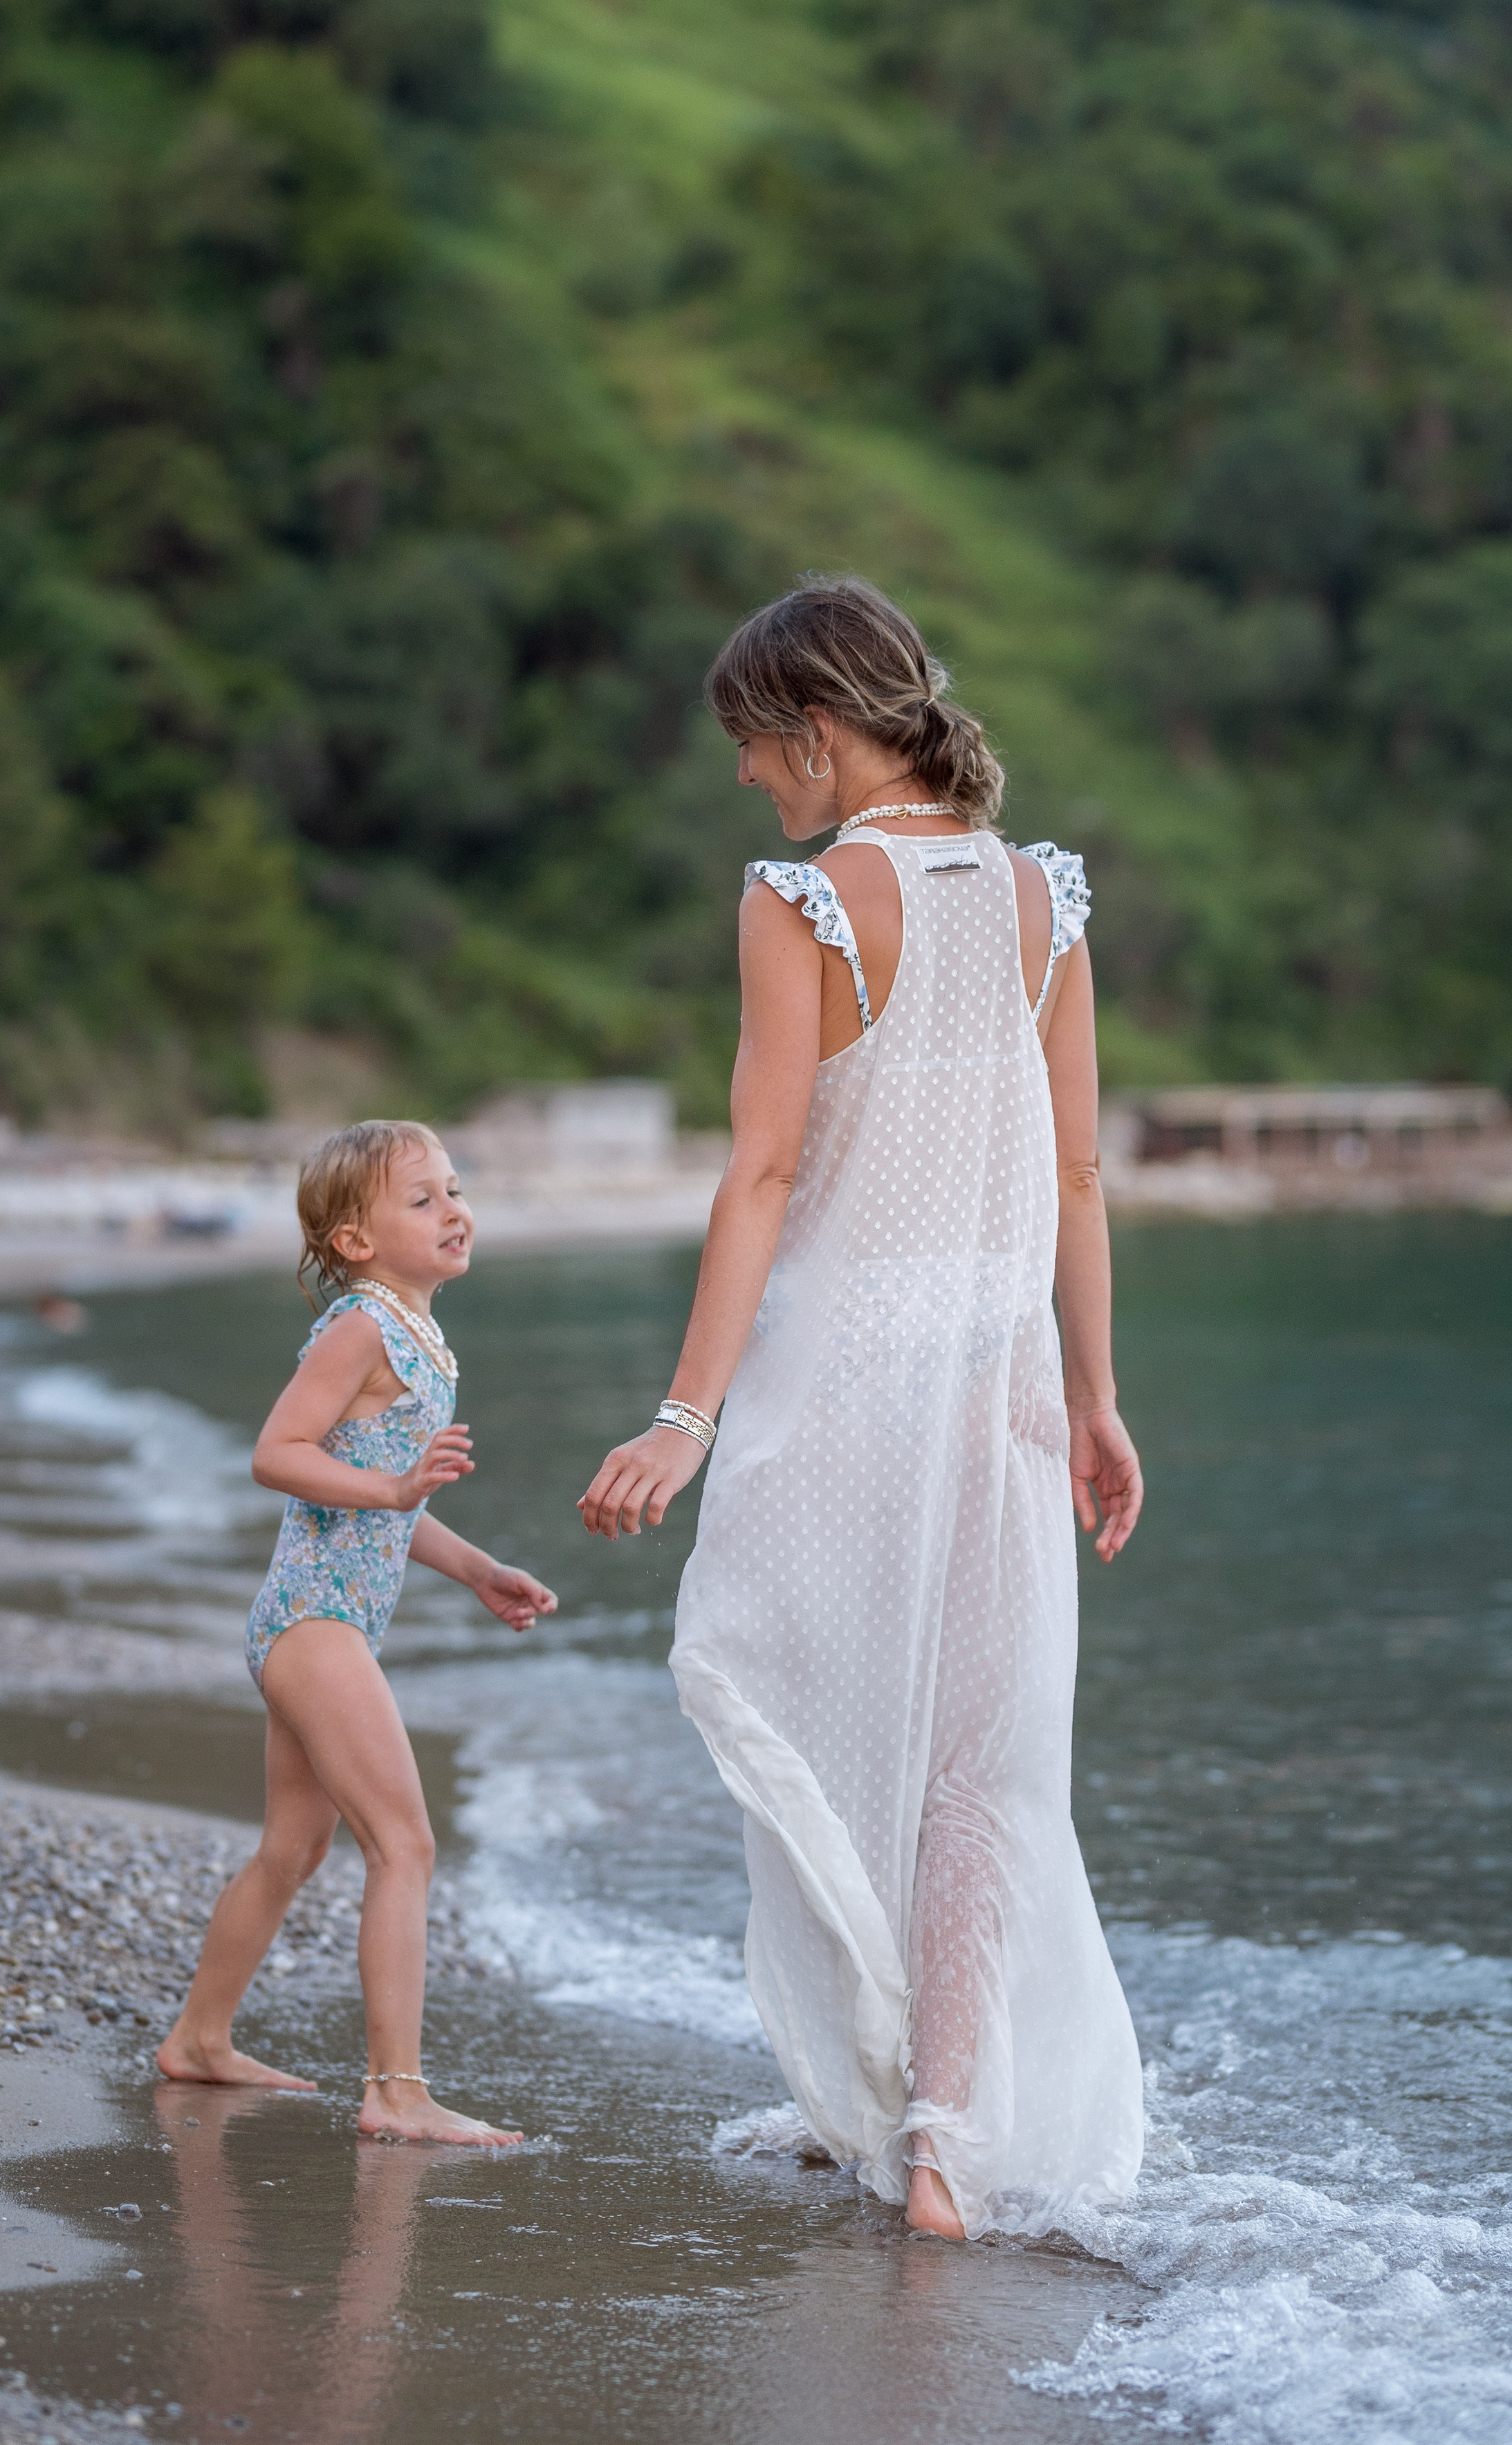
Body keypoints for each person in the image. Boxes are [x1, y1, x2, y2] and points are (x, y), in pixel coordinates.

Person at [579, 577, 1145, 2242]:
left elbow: (760, 1174)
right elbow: (1079, 1176)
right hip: (1000, 1393)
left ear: (818, 732)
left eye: (753, 745)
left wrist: (682, 1417)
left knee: (802, 1712)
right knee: (974, 1770)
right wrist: (1096, 1399)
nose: (746, 776)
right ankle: (938, 2145)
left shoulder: (806, 901)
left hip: (840, 1390)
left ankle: (881, 2075)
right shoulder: (1042, 896)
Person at [158, 1120, 557, 2146]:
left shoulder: (417, 1334)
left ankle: (199, 2039)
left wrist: (478, 1570)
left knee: (294, 1849)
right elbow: (278, 1453)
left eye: (455, 1189)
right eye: (422, 1200)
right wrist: (391, 1486)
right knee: (405, 1845)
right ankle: (396, 2091)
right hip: (317, 1624)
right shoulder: (362, 1328)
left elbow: (390, 1502)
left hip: (320, 1626)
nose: (454, 1210)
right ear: (355, 1241)